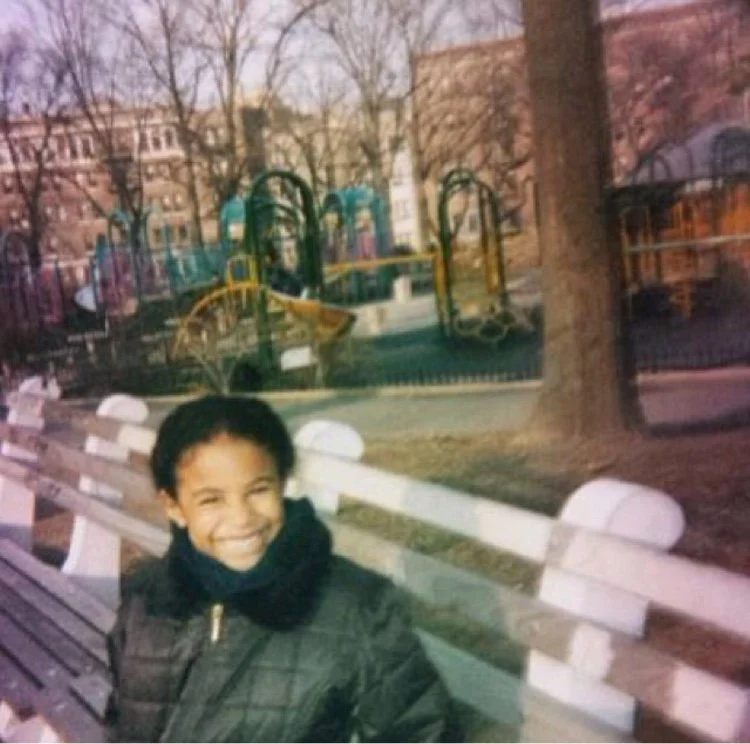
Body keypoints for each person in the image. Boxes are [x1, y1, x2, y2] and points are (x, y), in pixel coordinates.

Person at [106, 395, 460, 742]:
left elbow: (423, 730)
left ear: (282, 484)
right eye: (211, 499)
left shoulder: (357, 609)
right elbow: (123, 717)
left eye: (258, 490)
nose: (242, 518)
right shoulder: (146, 597)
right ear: (174, 506)